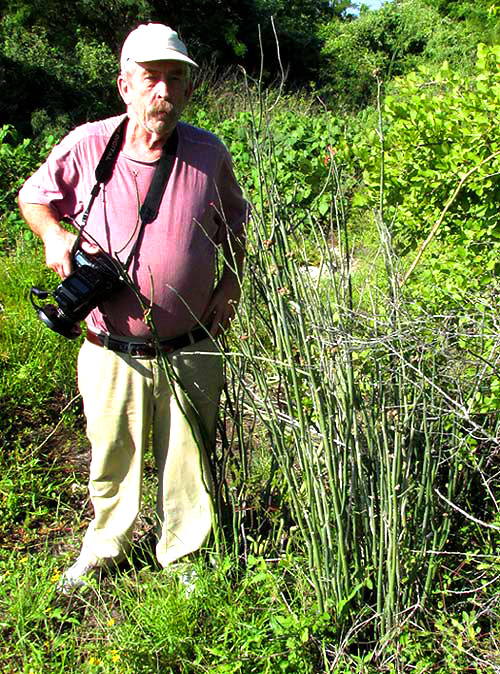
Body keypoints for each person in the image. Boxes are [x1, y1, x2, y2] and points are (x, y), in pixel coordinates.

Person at [18, 23, 248, 589]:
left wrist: (230, 288)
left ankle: (184, 555)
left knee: (188, 460)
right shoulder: (88, 144)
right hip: (109, 345)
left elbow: (239, 226)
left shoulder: (207, 153)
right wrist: (53, 236)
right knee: (111, 455)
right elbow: (33, 197)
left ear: (190, 90)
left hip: (191, 343)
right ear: (125, 85)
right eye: (150, 79)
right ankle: (105, 547)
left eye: (175, 79)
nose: (162, 92)